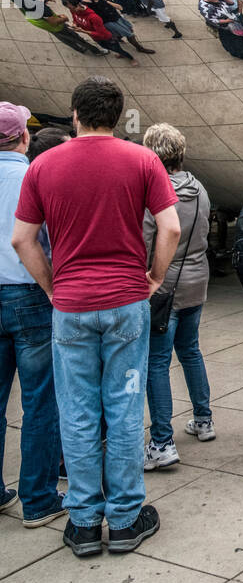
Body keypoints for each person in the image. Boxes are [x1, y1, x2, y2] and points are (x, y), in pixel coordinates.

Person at [12, 77, 181, 557]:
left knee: (78, 409)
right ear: (118, 114)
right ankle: (126, 517)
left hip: (71, 306)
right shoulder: (142, 160)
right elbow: (169, 226)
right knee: (125, 407)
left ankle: (84, 520)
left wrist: (51, 286)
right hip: (127, 302)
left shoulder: (43, 165)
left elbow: (22, 240)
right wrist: (153, 276)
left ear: (74, 114)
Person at [0, 103, 62, 525]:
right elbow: (44, 240)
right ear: (24, 137)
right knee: (40, 401)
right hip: (29, 295)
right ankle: (38, 497)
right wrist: (52, 288)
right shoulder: (33, 176)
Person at [142, 125, 214, 469]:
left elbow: (146, 240)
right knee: (190, 350)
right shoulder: (199, 188)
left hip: (164, 287)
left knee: (157, 362)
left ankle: (161, 441)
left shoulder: (154, 193)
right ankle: (203, 420)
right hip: (196, 280)